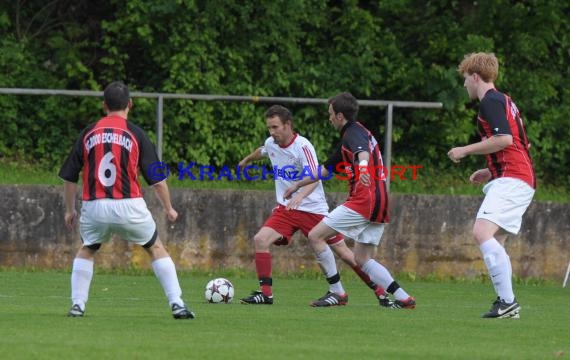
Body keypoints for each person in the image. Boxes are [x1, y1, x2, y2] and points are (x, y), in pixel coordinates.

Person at [59, 81, 195, 319]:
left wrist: (70, 210)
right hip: (129, 205)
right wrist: (168, 208)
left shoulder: (88, 132)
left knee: (87, 249)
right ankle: (177, 304)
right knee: (155, 247)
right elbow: (158, 180)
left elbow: (69, 178)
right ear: (130, 104)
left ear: (104, 105)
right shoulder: (136, 134)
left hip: (95, 206)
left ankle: (78, 305)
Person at [239, 104, 392, 307]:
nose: (272, 132)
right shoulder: (271, 143)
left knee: (345, 254)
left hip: (312, 209)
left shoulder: (303, 147)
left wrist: (300, 196)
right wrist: (247, 160)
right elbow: (263, 150)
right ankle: (266, 294)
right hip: (287, 209)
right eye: (269, 128)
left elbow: (315, 177)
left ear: (288, 125)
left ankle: (380, 292)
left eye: (275, 127)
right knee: (261, 239)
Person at [283, 92, 416, 309]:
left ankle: (337, 292)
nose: (329, 118)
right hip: (381, 202)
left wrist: (362, 168)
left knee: (316, 235)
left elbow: (361, 152)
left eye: (331, 114)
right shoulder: (354, 135)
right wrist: (297, 185)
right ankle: (403, 298)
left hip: (365, 200)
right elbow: (325, 169)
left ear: (340, 116)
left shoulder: (353, 134)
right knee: (362, 258)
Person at [448, 52, 535, 319]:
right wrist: (490, 170)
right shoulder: (504, 100)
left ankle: (508, 302)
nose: (464, 85)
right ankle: (507, 304)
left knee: (481, 232)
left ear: (475, 77)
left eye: (465, 79)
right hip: (515, 176)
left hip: (514, 178)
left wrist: (465, 149)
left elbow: (505, 139)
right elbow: (522, 144)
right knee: (494, 239)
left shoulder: (490, 101)